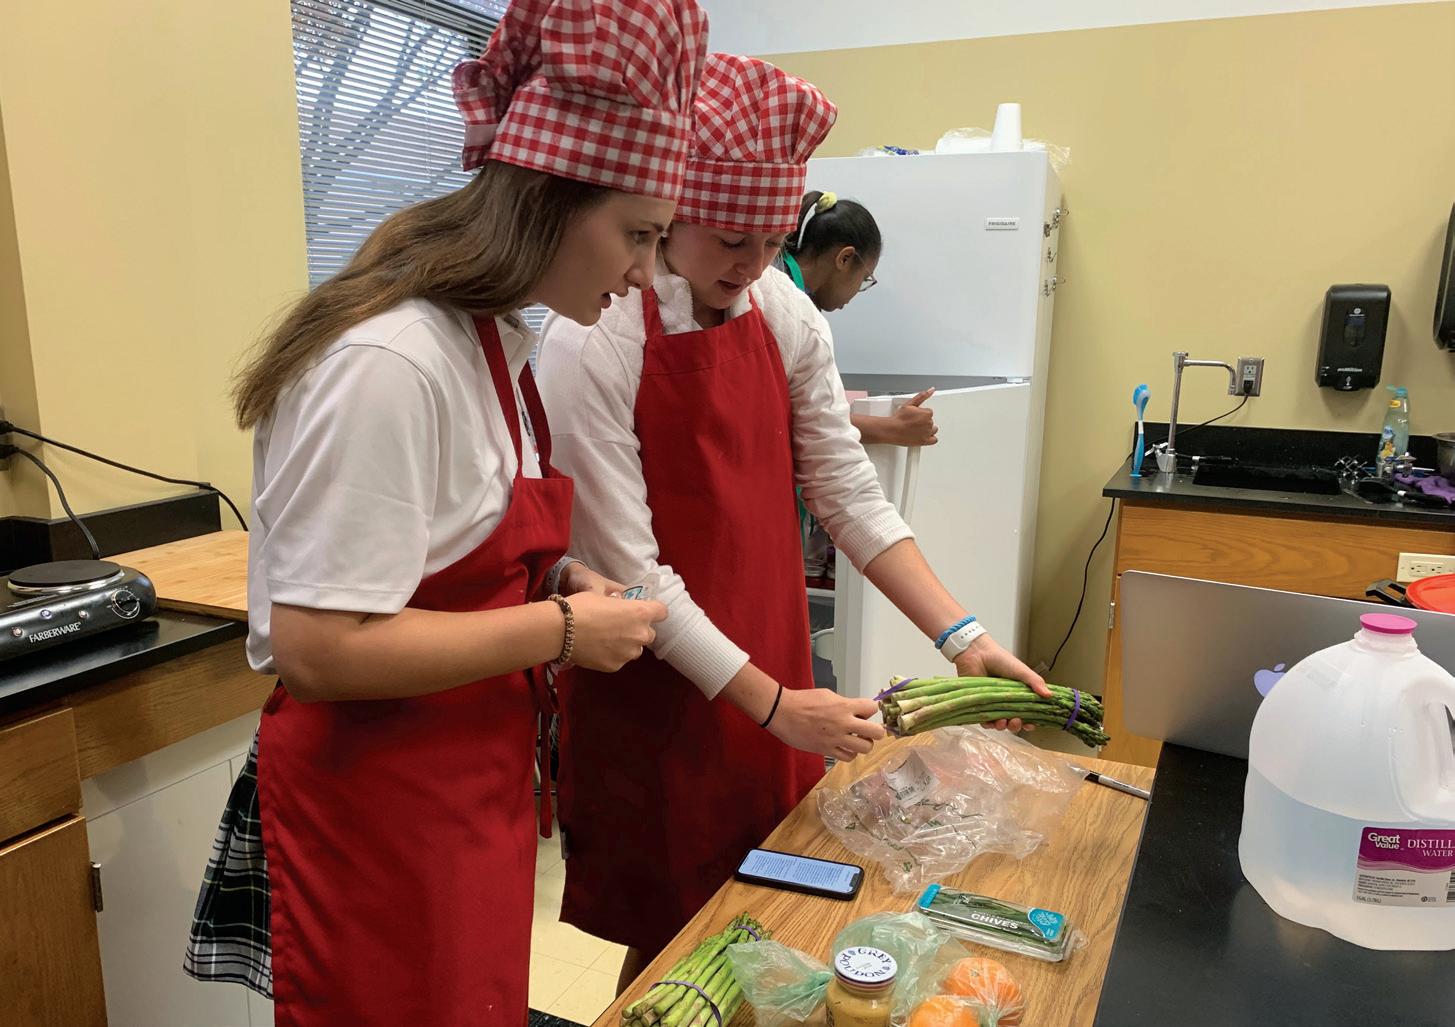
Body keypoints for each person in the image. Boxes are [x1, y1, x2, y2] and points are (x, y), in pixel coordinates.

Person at [182, 1, 706, 1023]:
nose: (646, 274)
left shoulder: (494, 346)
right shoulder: (391, 361)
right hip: (379, 810)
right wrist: (560, 629)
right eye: (638, 236)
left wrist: (557, 577)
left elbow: (450, 550)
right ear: (549, 200)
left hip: (469, 787)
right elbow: (319, 646)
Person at [536, 53, 1049, 990]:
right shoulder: (593, 336)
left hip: (769, 653)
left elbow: (847, 490)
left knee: (761, 905)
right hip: (655, 681)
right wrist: (772, 703)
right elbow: (635, 575)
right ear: (670, 212)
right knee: (668, 931)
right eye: (731, 238)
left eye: (773, 240)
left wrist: (963, 636)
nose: (750, 265)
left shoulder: (781, 310)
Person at [777, 190, 937, 448]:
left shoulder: (785, 286)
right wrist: (892, 428)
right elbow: (798, 418)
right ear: (845, 258)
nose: (855, 294)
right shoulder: (785, 303)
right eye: (864, 279)